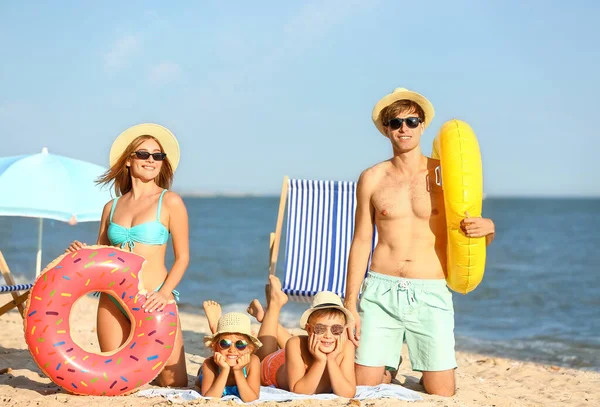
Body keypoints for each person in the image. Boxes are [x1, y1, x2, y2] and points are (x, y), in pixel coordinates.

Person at [343, 88, 496, 397]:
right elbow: (361, 240)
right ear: (386, 129)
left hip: (430, 290)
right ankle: (388, 364)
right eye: (396, 122)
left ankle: (414, 366)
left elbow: (467, 230)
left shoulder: (444, 175)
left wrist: (489, 228)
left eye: (412, 121)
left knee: (442, 393)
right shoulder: (371, 178)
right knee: (365, 388)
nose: (404, 128)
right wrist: (350, 304)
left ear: (422, 125)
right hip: (381, 290)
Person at [65, 123, 190, 387]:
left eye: (158, 155)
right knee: (116, 379)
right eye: (143, 154)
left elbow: (183, 258)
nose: (151, 160)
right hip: (113, 300)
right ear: (128, 161)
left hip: (153, 297)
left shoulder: (170, 202)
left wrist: (164, 294)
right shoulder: (111, 207)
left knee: (173, 381)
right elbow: (101, 254)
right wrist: (82, 253)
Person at [243, 275, 356, 398]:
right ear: (308, 329)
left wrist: (332, 360)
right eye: (320, 329)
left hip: (295, 358)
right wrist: (320, 361)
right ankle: (274, 305)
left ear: (343, 330)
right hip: (274, 368)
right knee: (262, 358)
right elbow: (299, 391)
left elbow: (348, 393)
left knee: (301, 342)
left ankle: (267, 316)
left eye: (336, 329)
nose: (328, 335)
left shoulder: (346, 347)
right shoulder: (295, 344)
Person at [196, 311, 261, 402]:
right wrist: (224, 370)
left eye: (240, 344)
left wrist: (238, 371)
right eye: (225, 343)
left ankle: (216, 329)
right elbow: (210, 399)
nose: (232, 350)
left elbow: (251, 400)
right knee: (199, 380)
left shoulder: (253, 361)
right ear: (215, 347)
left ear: (249, 349)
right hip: (208, 373)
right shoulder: (209, 364)